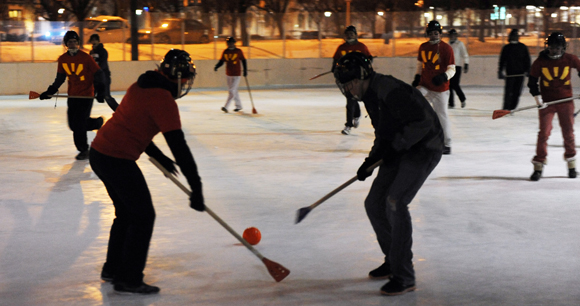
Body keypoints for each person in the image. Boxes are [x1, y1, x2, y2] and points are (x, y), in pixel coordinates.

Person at [89, 49, 204, 294]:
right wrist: (196, 187)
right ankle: (129, 278)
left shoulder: (140, 85)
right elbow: (179, 147)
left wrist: (158, 155)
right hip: (116, 159)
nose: (185, 84)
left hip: (100, 152)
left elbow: (134, 124)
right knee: (142, 217)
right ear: (177, 76)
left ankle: (112, 269)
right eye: (185, 79)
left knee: (127, 214)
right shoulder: (163, 100)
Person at [333, 52, 443, 296]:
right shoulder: (370, 96)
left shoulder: (389, 89)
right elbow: (383, 132)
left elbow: (422, 122)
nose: (349, 90)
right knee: (374, 203)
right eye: (345, 86)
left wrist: (397, 146)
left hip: (424, 148)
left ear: (362, 76)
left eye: (350, 84)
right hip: (401, 148)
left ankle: (404, 275)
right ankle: (392, 259)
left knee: (395, 202)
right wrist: (370, 161)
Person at [39, 30, 106, 160]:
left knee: (79, 123)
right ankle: (96, 123)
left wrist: (100, 91)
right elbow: (60, 78)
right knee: (73, 125)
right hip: (73, 96)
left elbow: (98, 73)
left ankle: (83, 150)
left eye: (75, 42)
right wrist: (50, 92)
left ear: (78, 43)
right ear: (66, 44)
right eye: (70, 42)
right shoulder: (62, 59)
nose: (73, 45)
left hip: (86, 95)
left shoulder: (86, 57)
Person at [527, 32, 580, 181]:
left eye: (557, 47)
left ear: (563, 47)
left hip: (566, 102)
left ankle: (571, 164)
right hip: (547, 103)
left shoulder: (570, 59)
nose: (554, 50)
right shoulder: (540, 61)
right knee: (544, 133)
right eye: (551, 47)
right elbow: (532, 81)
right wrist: (538, 98)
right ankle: (538, 165)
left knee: (568, 133)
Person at [412, 20, 455, 155]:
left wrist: (443, 77)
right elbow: (420, 65)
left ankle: (447, 144)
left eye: (436, 33)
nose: (434, 35)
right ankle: (417, 139)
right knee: (415, 108)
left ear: (440, 34)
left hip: (440, 89)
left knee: (442, 116)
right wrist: (417, 78)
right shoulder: (423, 47)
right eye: (431, 33)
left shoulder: (446, 48)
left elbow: (452, 69)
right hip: (425, 85)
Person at [331, 25, 372, 135]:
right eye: (347, 34)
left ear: (356, 35)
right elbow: (336, 60)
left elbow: (369, 58)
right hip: (346, 77)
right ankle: (356, 115)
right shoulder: (341, 48)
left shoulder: (361, 46)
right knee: (351, 98)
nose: (349, 36)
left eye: (351, 34)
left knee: (351, 100)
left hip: (358, 78)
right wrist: (335, 68)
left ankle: (349, 125)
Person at [499, 29, 531, 110]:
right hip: (510, 74)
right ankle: (506, 108)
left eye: (516, 36)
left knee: (517, 92)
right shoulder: (507, 48)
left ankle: (512, 108)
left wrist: (528, 70)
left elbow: (527, 60)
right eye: (513, 36)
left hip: (520, 74)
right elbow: (502, 60)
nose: (515, 37)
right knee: (508, 92)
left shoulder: (523, 47)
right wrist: (500, 71)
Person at [215, 37, 247, 113]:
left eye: (231, 43)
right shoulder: (225, 51)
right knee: (233, 90)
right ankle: (239, 106)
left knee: (232, 90)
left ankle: (226, 106)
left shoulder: (238, 51)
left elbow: (243, 60)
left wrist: (245, 70)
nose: (230, 44)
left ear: (234, 43)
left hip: (236, 74)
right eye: (228, 43)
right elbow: (222, 61)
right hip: (229, 74)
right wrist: (217, 66)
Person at [89, 33, 119, 110]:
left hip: (103, 77)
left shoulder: (103, 51)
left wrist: (97, 72)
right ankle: (84, 114)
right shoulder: (91, 52)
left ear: (98, 41)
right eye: (92, 40)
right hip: (95, 78)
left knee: (106, 96)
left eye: (95, 40)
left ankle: (120, 111)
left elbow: (103, 64)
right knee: (90, 96)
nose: (94, 42)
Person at [447, 29, 469, 109]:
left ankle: (462, 99)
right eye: (451, 35)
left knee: (455, 84)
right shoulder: (447, 44)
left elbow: (465, 54)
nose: (452, 36)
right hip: (449, 67)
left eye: (454, 35)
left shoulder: (460, 44)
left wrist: (466, 63)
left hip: (457, 66)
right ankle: (451, 103)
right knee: (449, 85)